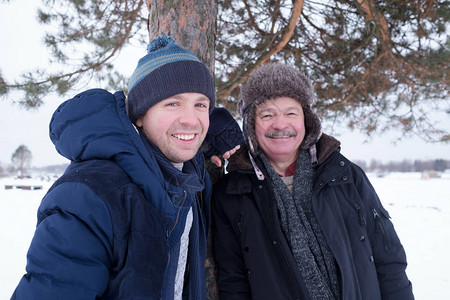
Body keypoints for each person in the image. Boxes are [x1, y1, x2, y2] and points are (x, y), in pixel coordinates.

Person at [12, 36, 242, 300]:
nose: (191, 120)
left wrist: (227, 145)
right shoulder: (89, 197)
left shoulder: (189, 177)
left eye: (200, 104)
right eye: (172, 103)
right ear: (140, 115)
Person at [211, 63, 414, 300]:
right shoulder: (232, 193)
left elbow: (388, 261)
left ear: (306, 119)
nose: (280, 124)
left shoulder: (345, 175)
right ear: (251, 124)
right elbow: (234, 283)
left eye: (291, 113)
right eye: (267, 115)